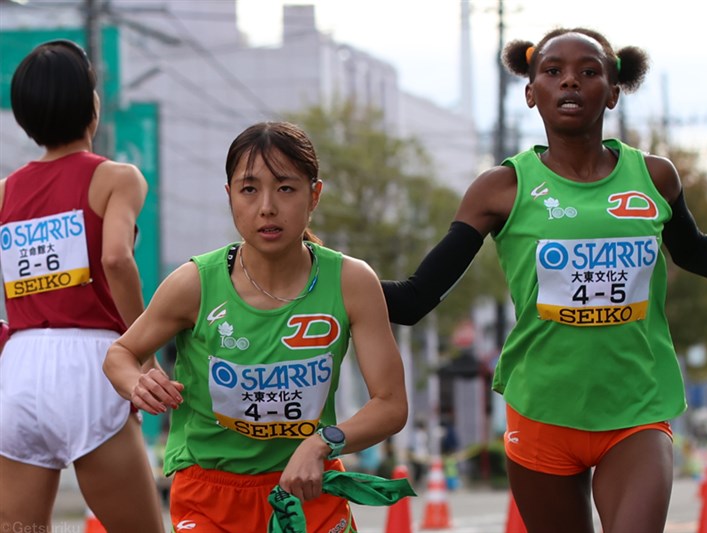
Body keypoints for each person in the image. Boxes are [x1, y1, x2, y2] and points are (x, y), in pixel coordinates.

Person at [381, 27, 707, 533]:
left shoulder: (654, 177)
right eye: (553, 72)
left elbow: (692, 250)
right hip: (542, 411)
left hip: (635, 409)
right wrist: (327, 279)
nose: (570, 83)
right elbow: (415, 298)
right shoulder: (502, 188)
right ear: (532, 93)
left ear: (614, 91)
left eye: (588, 71)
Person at [103, 121, 409, 532]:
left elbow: (390, 403)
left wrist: (321, 444)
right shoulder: (194, 283)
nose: (267, 206)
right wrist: (137, 382)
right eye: (249, 189)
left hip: (307, 490)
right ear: (230, 196)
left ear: (314, 195)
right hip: (210, 496)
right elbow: (121, 354)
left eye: (285, 188)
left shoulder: (352, 282)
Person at [0, 40, 165, 531]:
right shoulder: (117, 178)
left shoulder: (6, 192)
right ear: (92, 104)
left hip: (18, 370)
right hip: (93, 365)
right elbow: (116, 257)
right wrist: (145, 351)